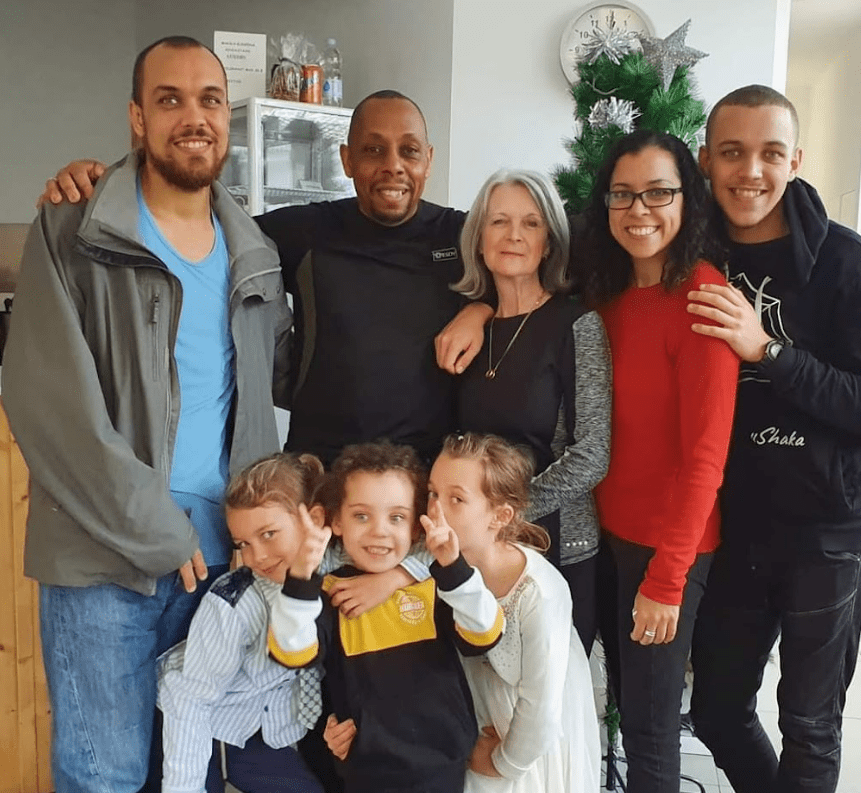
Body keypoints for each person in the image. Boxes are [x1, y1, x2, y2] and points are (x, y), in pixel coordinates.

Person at [1, 35, 292, 793]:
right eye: (169, 99)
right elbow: (49, 405)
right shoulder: (72, 233)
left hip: (224, 565)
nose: (192, 117)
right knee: (107, 774)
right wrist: (157, 529)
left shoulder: (255, 253)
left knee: (188, 770)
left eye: (209, 100)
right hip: (107, 563)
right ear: (136, 117)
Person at [37, 90, 493, 466]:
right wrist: (106, 184)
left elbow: (530, 276)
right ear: (347, 159)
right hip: (318, 471)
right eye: (373, 150)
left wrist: (481, 307)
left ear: (428, 160)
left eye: (408, 151)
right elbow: (190, 219)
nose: (393, 165)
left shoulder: (461, 234)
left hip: (426, 475)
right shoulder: (306, 230)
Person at [686, 85, 861, 793]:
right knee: (714, 710)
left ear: (795, 159)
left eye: (771, 153)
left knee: (810, 724)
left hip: (830, 529)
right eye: (733, 152)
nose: (751, 171)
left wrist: (767, 351)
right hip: (737, 526)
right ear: (707, 159)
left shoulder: (848, 263)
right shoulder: (688, 256)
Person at [575, 129, 740, 793]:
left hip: (666, 549)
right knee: (621, 704)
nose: (639, 209)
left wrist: (668, 578)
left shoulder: (701, 292)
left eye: (658, 192)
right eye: (623, 194)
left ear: (686, 199)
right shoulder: (605, 292)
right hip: (608, 539)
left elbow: (706, 457)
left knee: (649, 731)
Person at [268, 441, 505, 793]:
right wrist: (301, 578)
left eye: (396, 517)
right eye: (362, 515)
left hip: (444, 765)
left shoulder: (437, 583)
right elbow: (291, 651)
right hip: (368, 772)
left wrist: (453, 567)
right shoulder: (325, 596)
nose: (379, 530)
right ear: (336, 521)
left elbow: (485, 633)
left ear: (415, 527)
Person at [452, 169, 611, 653]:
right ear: (479, 240)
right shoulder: (467, 332)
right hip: (479, 550)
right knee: (486, 708)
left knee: (555, 707)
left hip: (556, 547)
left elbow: (593, 453)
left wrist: (505, 515)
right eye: (499, 221)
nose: (514, 235)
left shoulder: (577, 325)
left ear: (549, 243)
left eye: (531, 223)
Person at [429, 432, 602, 793]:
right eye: (433, 493)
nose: (436, 511)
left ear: (500, 515)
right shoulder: (439, 561)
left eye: (456, 499)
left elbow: (541, 705)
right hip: (477, 725)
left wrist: (503, 762)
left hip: (525, 745)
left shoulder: (540, 591)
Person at [157, 453, 328, 793]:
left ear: (315, 519)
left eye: (268, 534)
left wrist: (395, 578)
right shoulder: (234, 602)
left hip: (279, 727)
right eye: (242, 544)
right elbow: (190, 698)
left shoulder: (339, 567)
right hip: (216, 726)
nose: (256, 557)